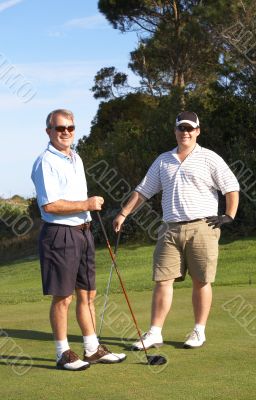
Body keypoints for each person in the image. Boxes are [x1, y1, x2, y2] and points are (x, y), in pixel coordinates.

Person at [113, 111, 239, 350]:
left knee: (201, 281)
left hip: (203, 226)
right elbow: (143, 191)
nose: (186, 132)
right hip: (169, 229)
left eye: (190, 128)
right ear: (175, 131)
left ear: (198, 131)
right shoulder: (163, 160)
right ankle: (154, 333)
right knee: (162, 280)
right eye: (182, 128)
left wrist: (229, 215)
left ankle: (198, 331)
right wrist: (123, 213)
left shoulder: (210, 158)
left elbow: (231, 186)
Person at [31, 109, 126, 371]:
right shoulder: (44, 162)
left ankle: (92, 348)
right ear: (48, 131)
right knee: (63, 297)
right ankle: (63, 354)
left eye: (70, 128)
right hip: (60, 234)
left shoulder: (76, 157)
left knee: (88, 294)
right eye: (60, 128)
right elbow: (49, 205)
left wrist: (87, 209)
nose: (65, 132)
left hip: (83, 231)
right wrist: (87, 203)